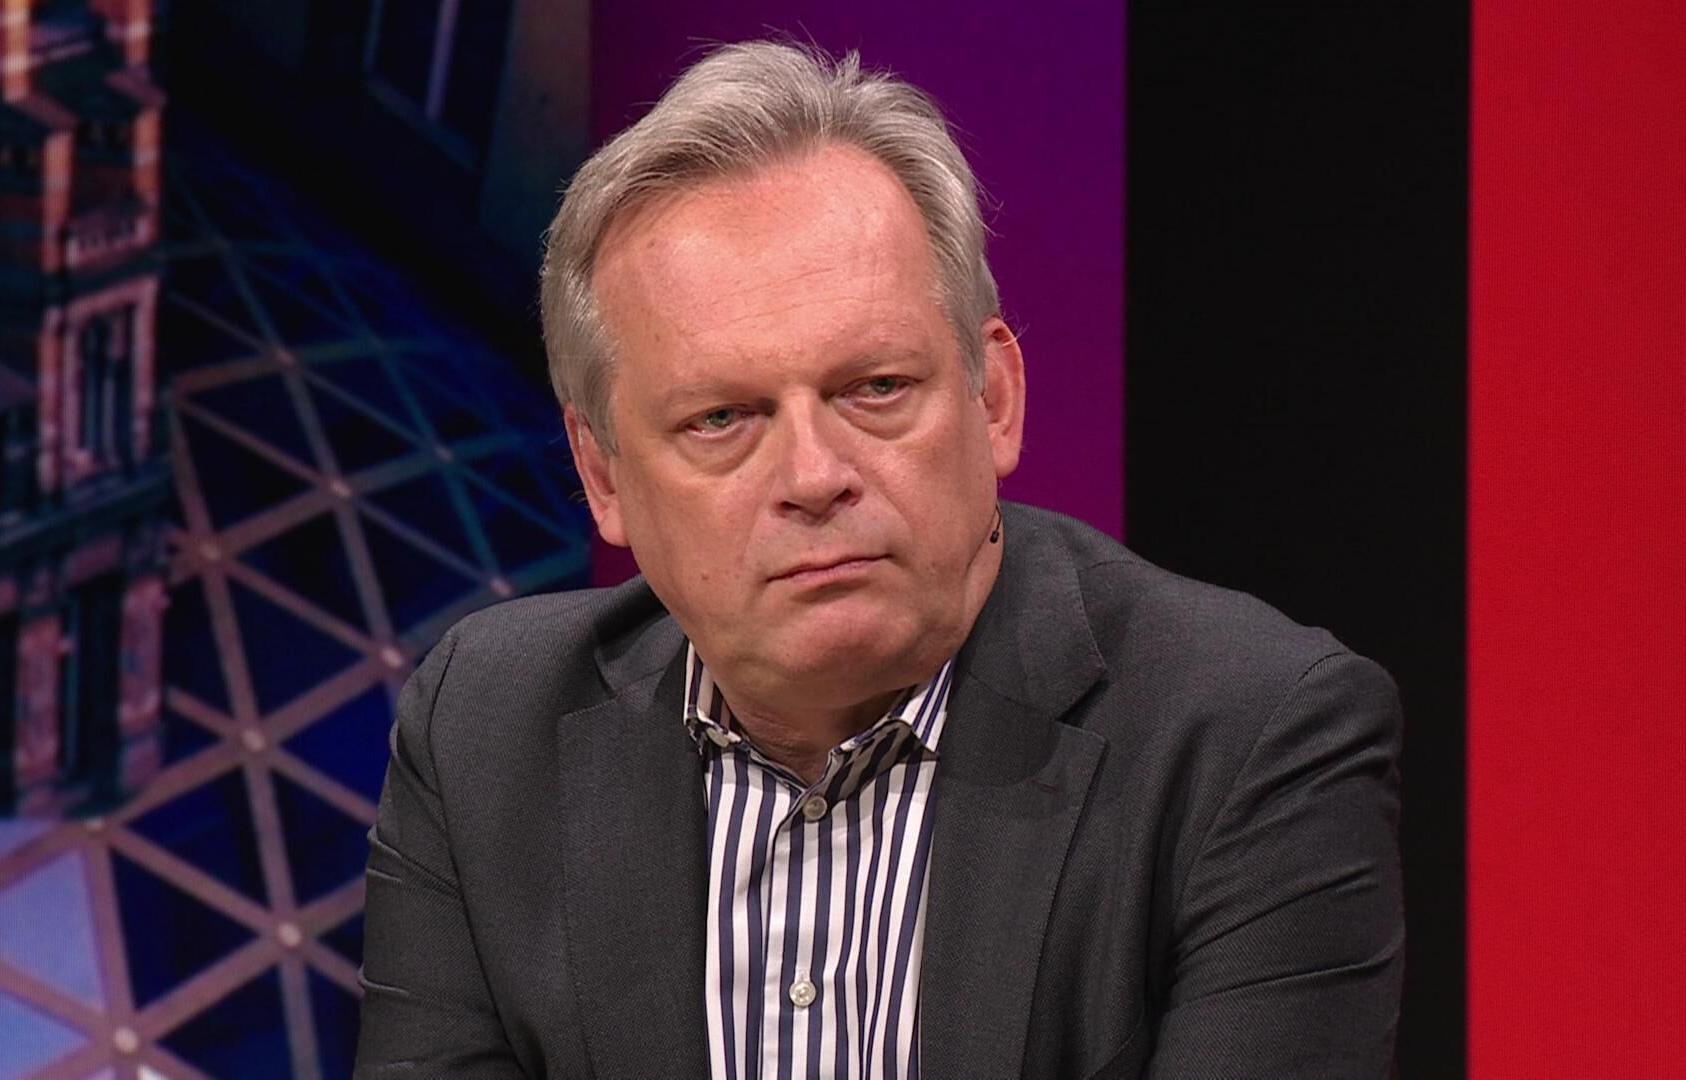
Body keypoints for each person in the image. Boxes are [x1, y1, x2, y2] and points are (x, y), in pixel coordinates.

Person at [357, 41, 1403, 1079]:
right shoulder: (484, 733)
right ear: (604, 475)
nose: (814, 475)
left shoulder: (1250, 739)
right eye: (722, 418)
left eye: (876, 389)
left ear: (994, 399)